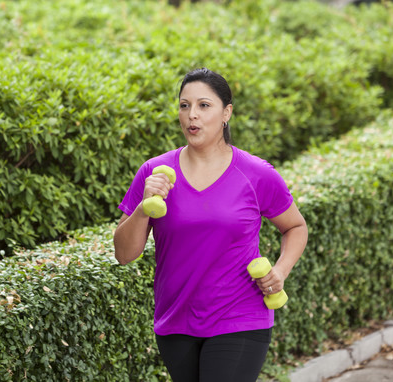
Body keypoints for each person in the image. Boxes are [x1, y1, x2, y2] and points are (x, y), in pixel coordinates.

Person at [113, 68, 308, 382]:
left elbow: (296, 227)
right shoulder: (155, 172)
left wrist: (281, 271)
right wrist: (142, 208)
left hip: (240, 317)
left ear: (226, 113)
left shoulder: (256, 172)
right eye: (184, 105)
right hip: (175, 319)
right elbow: (124, 253)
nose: (192, 115)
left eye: (204, 105)